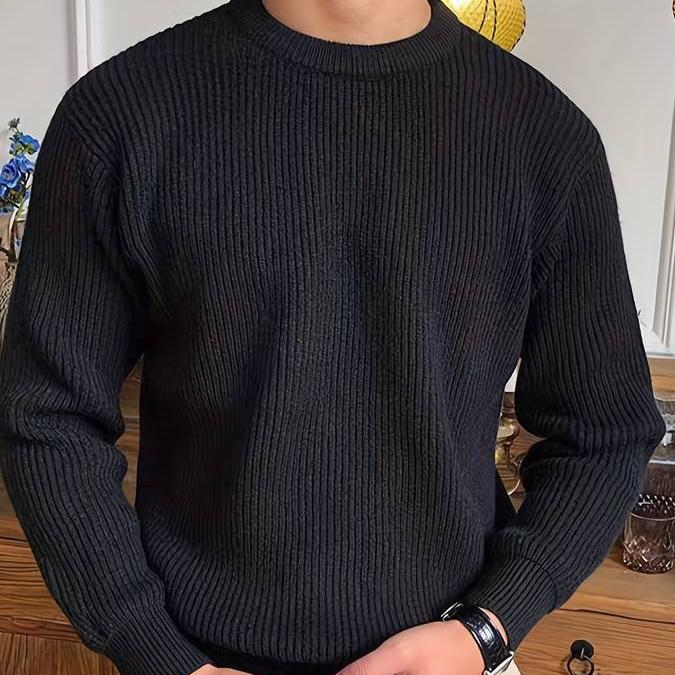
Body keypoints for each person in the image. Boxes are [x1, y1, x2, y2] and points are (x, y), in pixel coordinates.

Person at [0, 1, 665, 674]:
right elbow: (46, 415)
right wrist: (152, 647)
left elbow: (603, 434)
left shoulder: (546, 139)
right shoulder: (120, 116)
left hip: (456, 646)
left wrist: (487, 629)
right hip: (194, 655)